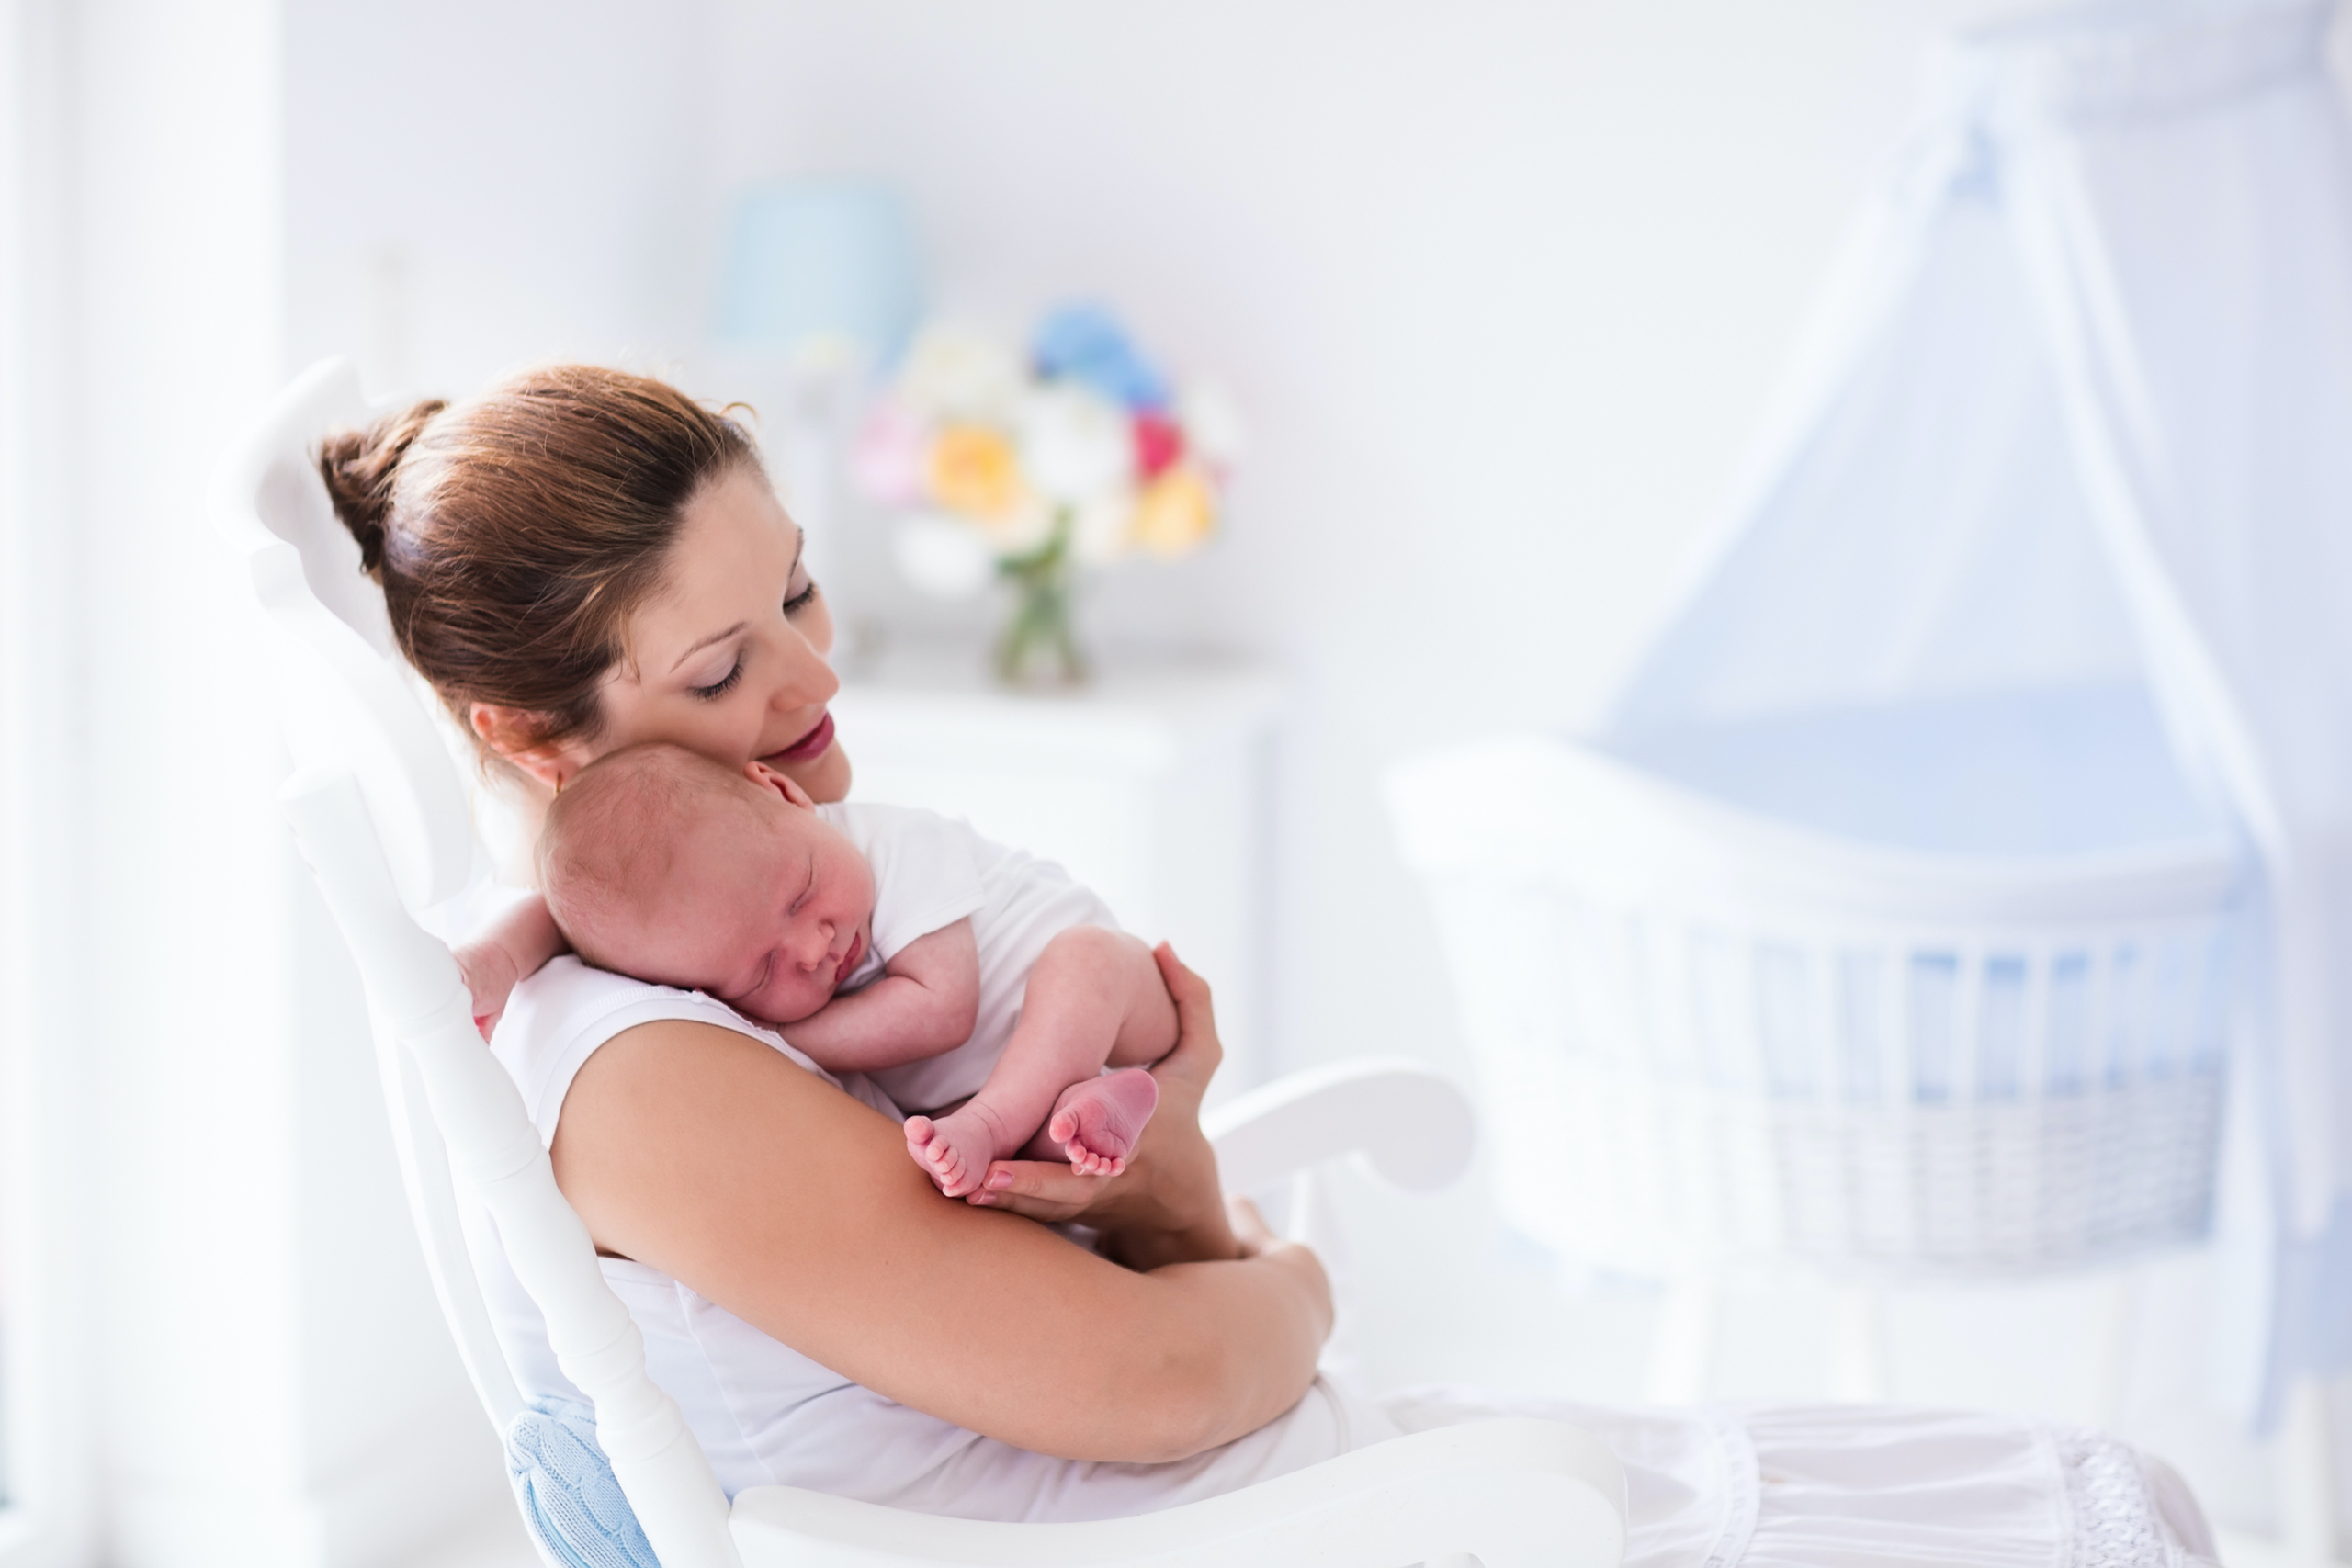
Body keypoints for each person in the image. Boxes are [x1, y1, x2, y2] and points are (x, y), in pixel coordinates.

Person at [319, 364, 2220, 1564]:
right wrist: (1294, 1276)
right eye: (726, 665)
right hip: (1219, 1501)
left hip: (1256, 1472)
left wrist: (1166, 1181)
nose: (818, 676)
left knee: (2080, 1490)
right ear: (535, 734)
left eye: (800, 589)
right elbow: (1155, 1376)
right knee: (2073, 1518)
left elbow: (1145, 1264)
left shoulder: (754, 939)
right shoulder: (649, 1079)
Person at [534, 739, 1171, 1194]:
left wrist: (777, 1034)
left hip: (1120, 1006)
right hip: (1021, 1095)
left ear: (785, 794)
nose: (813, 949)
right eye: (762, 971)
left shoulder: (897, 844)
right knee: (1004, 1156)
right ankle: (1084, 1117)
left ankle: (1008, 1120)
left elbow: (943, 1009)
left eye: (800, 895)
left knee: (1084, 958)